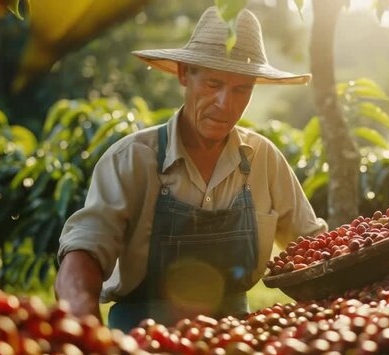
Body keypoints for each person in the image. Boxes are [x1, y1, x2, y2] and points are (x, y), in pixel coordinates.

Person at [54, 6, 328, 333]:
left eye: (242, 89)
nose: (226, 104)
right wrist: (84, 330)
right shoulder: (133, 159)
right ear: (185, 74)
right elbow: (83, 253)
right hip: (143, 338)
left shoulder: (261, 159)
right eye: (214, 83)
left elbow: (314, 248)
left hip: (234, 339)